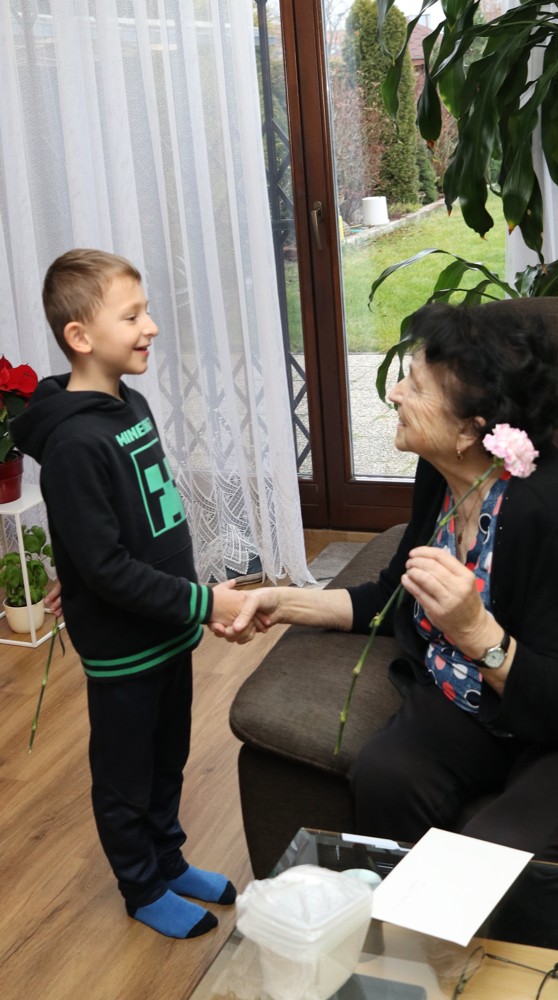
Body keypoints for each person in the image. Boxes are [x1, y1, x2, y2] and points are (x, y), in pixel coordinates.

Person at [220, 300, 558, 865]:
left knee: (495, 851)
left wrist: (474, 630)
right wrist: (281, 602)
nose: (394, 394)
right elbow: (394, 594)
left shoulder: (551, 515)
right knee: (385, 775)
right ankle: (396, 920)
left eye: (414, 385)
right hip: (484, 692)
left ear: (470, 428)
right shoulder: (443, 473)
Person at [12, 249, 260, 940]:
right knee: (125, 774)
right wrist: (204, 602)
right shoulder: (73, 444)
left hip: (166, 630)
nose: (150, 326)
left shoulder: (132, 404)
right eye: (132, 316)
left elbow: (119, 525)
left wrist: (76, 571)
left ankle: (168, 859)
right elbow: (107, 565)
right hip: (125, 648)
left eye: (146, 311)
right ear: (80, 336)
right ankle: (142, 885)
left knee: (166, 757)